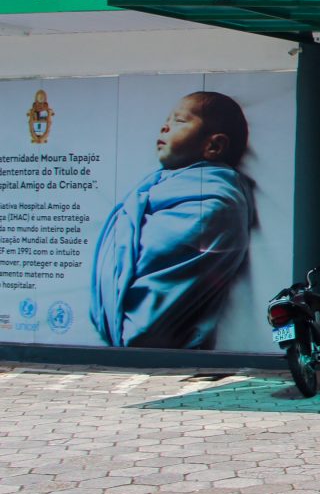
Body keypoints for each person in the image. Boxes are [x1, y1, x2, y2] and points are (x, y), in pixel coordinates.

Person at [90, 91, 255, 350]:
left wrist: (132, 227)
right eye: (166, 120)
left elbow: (163, 246)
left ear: (213, 146)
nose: (164, 127)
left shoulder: (217, 199)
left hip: (154, 328)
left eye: (178, 121)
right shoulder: (157, 183)